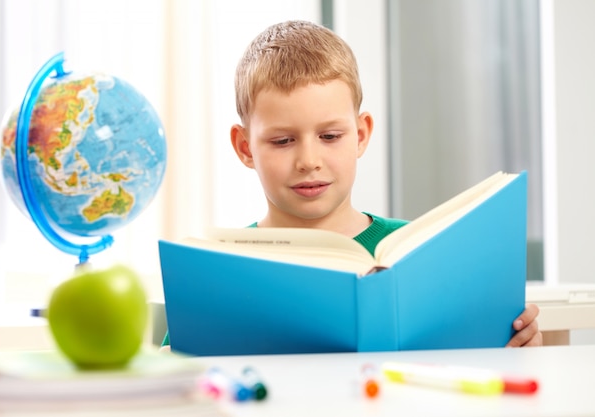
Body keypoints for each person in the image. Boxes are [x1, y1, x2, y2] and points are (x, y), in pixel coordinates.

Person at [161, 20, 541, 351]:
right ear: (245, 147)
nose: (308, 160)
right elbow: (173, 369)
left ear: (360, 135)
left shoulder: (417, 252)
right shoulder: (218, 267)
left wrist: (516, 345)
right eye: (282, 141)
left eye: (329, 136)